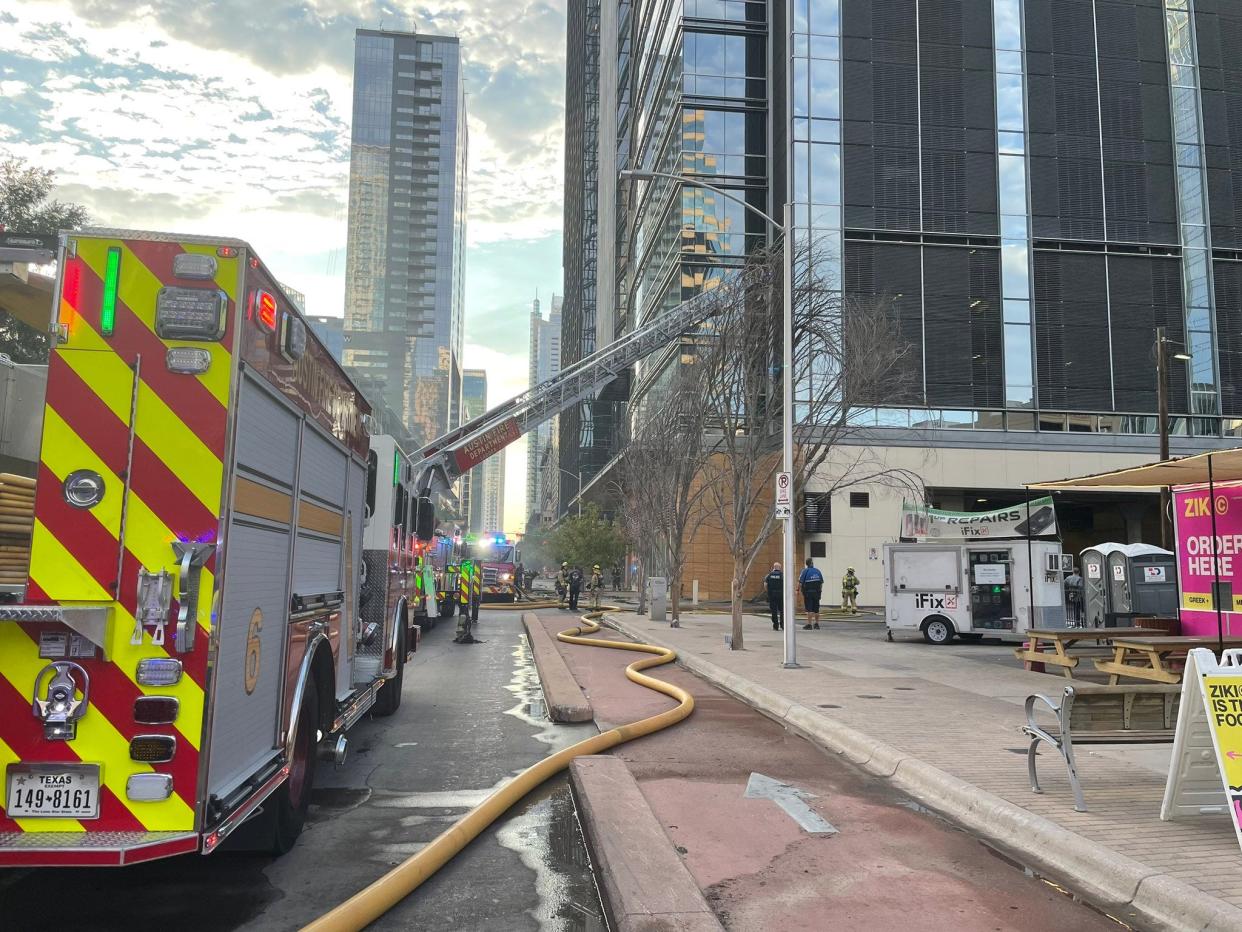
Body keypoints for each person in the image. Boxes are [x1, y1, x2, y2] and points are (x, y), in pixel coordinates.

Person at [799, 558, 824, 630]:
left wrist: (799, 591)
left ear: (806, 564)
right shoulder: (818, 571)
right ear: (812, 563)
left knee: (809, 609)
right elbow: (821, 583)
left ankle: (809, 624)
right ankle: (816, 624)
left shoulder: (805, 571)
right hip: (817, 593)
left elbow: (800, 583)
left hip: (808, 593)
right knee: (816, 609)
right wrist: (820, 591)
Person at [764, 562, 784, 631]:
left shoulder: (769, 575)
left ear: (774, 568)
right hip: (781, 596)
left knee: (774, 611)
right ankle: (782, 624)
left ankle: (775, 625)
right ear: (780, 568)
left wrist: (768, 592)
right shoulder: (782, 575)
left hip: (772, 595)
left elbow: (765, 585)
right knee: (782, 611)